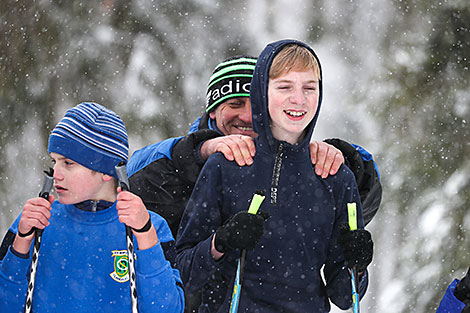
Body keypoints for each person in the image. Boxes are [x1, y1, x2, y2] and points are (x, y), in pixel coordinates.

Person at [175, 39, 373, 312]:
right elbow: (183, 272)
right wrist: (220, 242)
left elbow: (344, 296)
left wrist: (358, 267)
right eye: (285, 87)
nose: (298, 99)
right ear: (261, 92)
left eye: (309, 88)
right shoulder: (226, 165)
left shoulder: (335, 177)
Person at [126, 55, 382, 238]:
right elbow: (130, 178)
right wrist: (198, 153)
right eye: (235, 104)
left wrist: (344, 160)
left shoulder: (287, 162)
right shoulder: (184, 160)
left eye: (256, 105)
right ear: (213, 111)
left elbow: (364, 200)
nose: (247, 116)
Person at [0, 102, 184, 312]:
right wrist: (21, 244)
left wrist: (145, 235)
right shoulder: (37, 221)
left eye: (68, 163)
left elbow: (166, 308)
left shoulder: (150, 226)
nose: (56, 173)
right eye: (55, 162)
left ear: (106, 170)